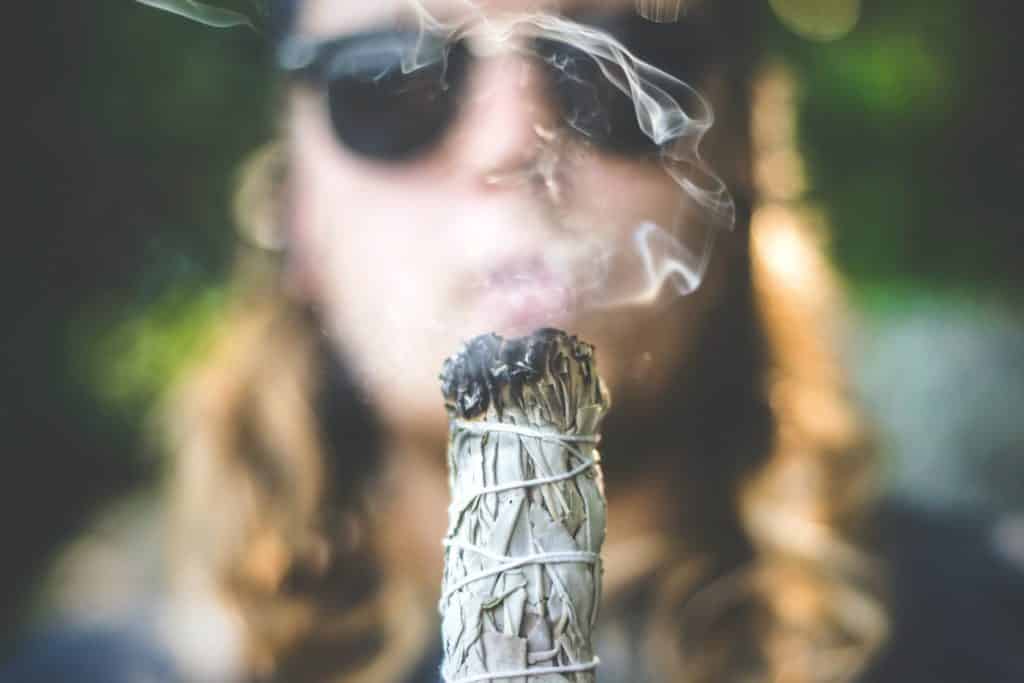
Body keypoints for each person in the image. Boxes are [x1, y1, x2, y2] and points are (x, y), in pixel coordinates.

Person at [4, 0, 1022, 682]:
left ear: (748, 155)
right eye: (390, 82)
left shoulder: (983, 630)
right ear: (294, 205)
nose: (511, 139)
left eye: (610, 64)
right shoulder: (108, 665)